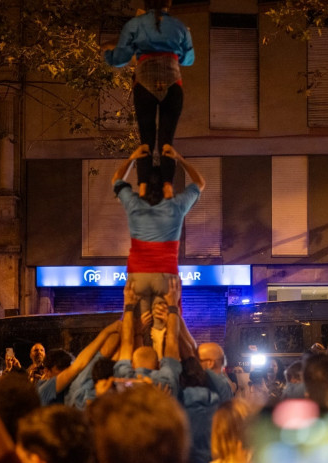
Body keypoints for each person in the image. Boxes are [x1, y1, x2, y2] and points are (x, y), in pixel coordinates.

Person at [112, 145, 205, 341]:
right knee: (163, 328)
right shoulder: (176, 206)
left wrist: (132, 157)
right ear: (166, 187)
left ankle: (140, 362)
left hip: (138, 274)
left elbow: (116, 181)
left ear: (143, 185)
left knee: (140, 326)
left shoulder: (135, 205)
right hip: (166, 274)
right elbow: (200, 182)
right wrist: (180, 157)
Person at [103, 0, 194, 199]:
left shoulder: (134, 25)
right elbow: (189, 60)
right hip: (172, 84)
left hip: (144, 84)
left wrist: (108, 55)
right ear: (169, 3)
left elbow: (120, 58)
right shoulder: (179, 27)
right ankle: (168, 188)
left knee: (146, 140)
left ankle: (143, 187)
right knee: (166, 142)